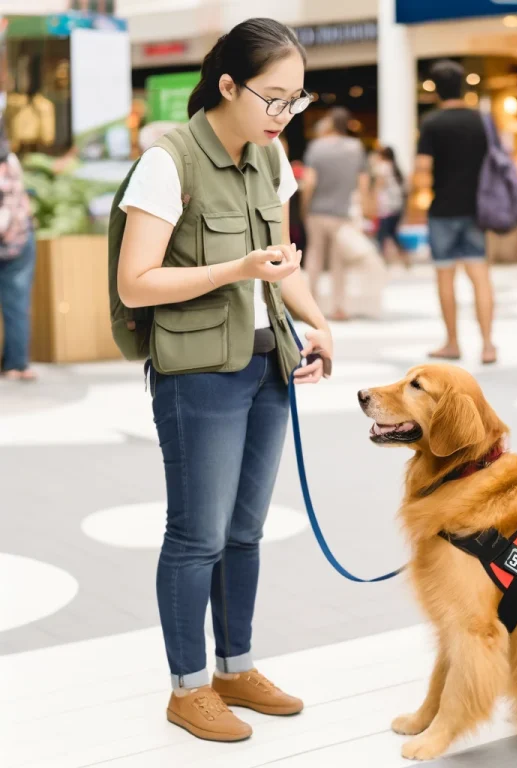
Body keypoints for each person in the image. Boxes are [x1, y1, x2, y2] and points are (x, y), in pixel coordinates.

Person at [116, 18, 333, 742]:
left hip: (268, 363)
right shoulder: (168, 160)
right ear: (229, 85)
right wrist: (237, 270)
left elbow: (283, 265)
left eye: (296, 101)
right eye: (275, 99)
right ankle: (187, 688)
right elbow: (137, 283)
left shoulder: (274, 161)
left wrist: (318, 324)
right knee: (197, 534)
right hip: (199, 373)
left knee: (245, 531)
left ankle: (235, 667)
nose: (285, 115)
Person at [415, 60, 497, 365]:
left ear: (436, 89)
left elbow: (422, 169)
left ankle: (452, 342)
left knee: (445, 277)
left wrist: (418, 197)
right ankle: (488, 345)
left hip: (443, 210)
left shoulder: (432, 123)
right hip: (477, 209)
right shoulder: (481, 120)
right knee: (480, 277)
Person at [302, 107, 369, 320]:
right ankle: (339, 307)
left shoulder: (317, 147)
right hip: (343, 212)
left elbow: (310, 181)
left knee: (315, 256)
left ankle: (311, 303)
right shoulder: (355, 147)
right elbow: (364, 182)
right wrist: (364, 208)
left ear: (330, 123)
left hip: (318, 211)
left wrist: (304, 207)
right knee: (338, 261)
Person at [0, 125, 37, 382]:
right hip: (22, 236)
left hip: (9, 238)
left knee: (15, 303)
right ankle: (16, 363)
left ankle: (15, 364)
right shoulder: (10, 158)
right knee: (16, 304)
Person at [372, 145, 409, 267]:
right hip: (397, 205)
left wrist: (373, 202)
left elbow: (379, 186)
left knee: (381, 235)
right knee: (393, 234)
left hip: (386, 206)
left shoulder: (383, 167)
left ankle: (382, 262)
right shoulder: (396, 168)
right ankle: (404, 258)